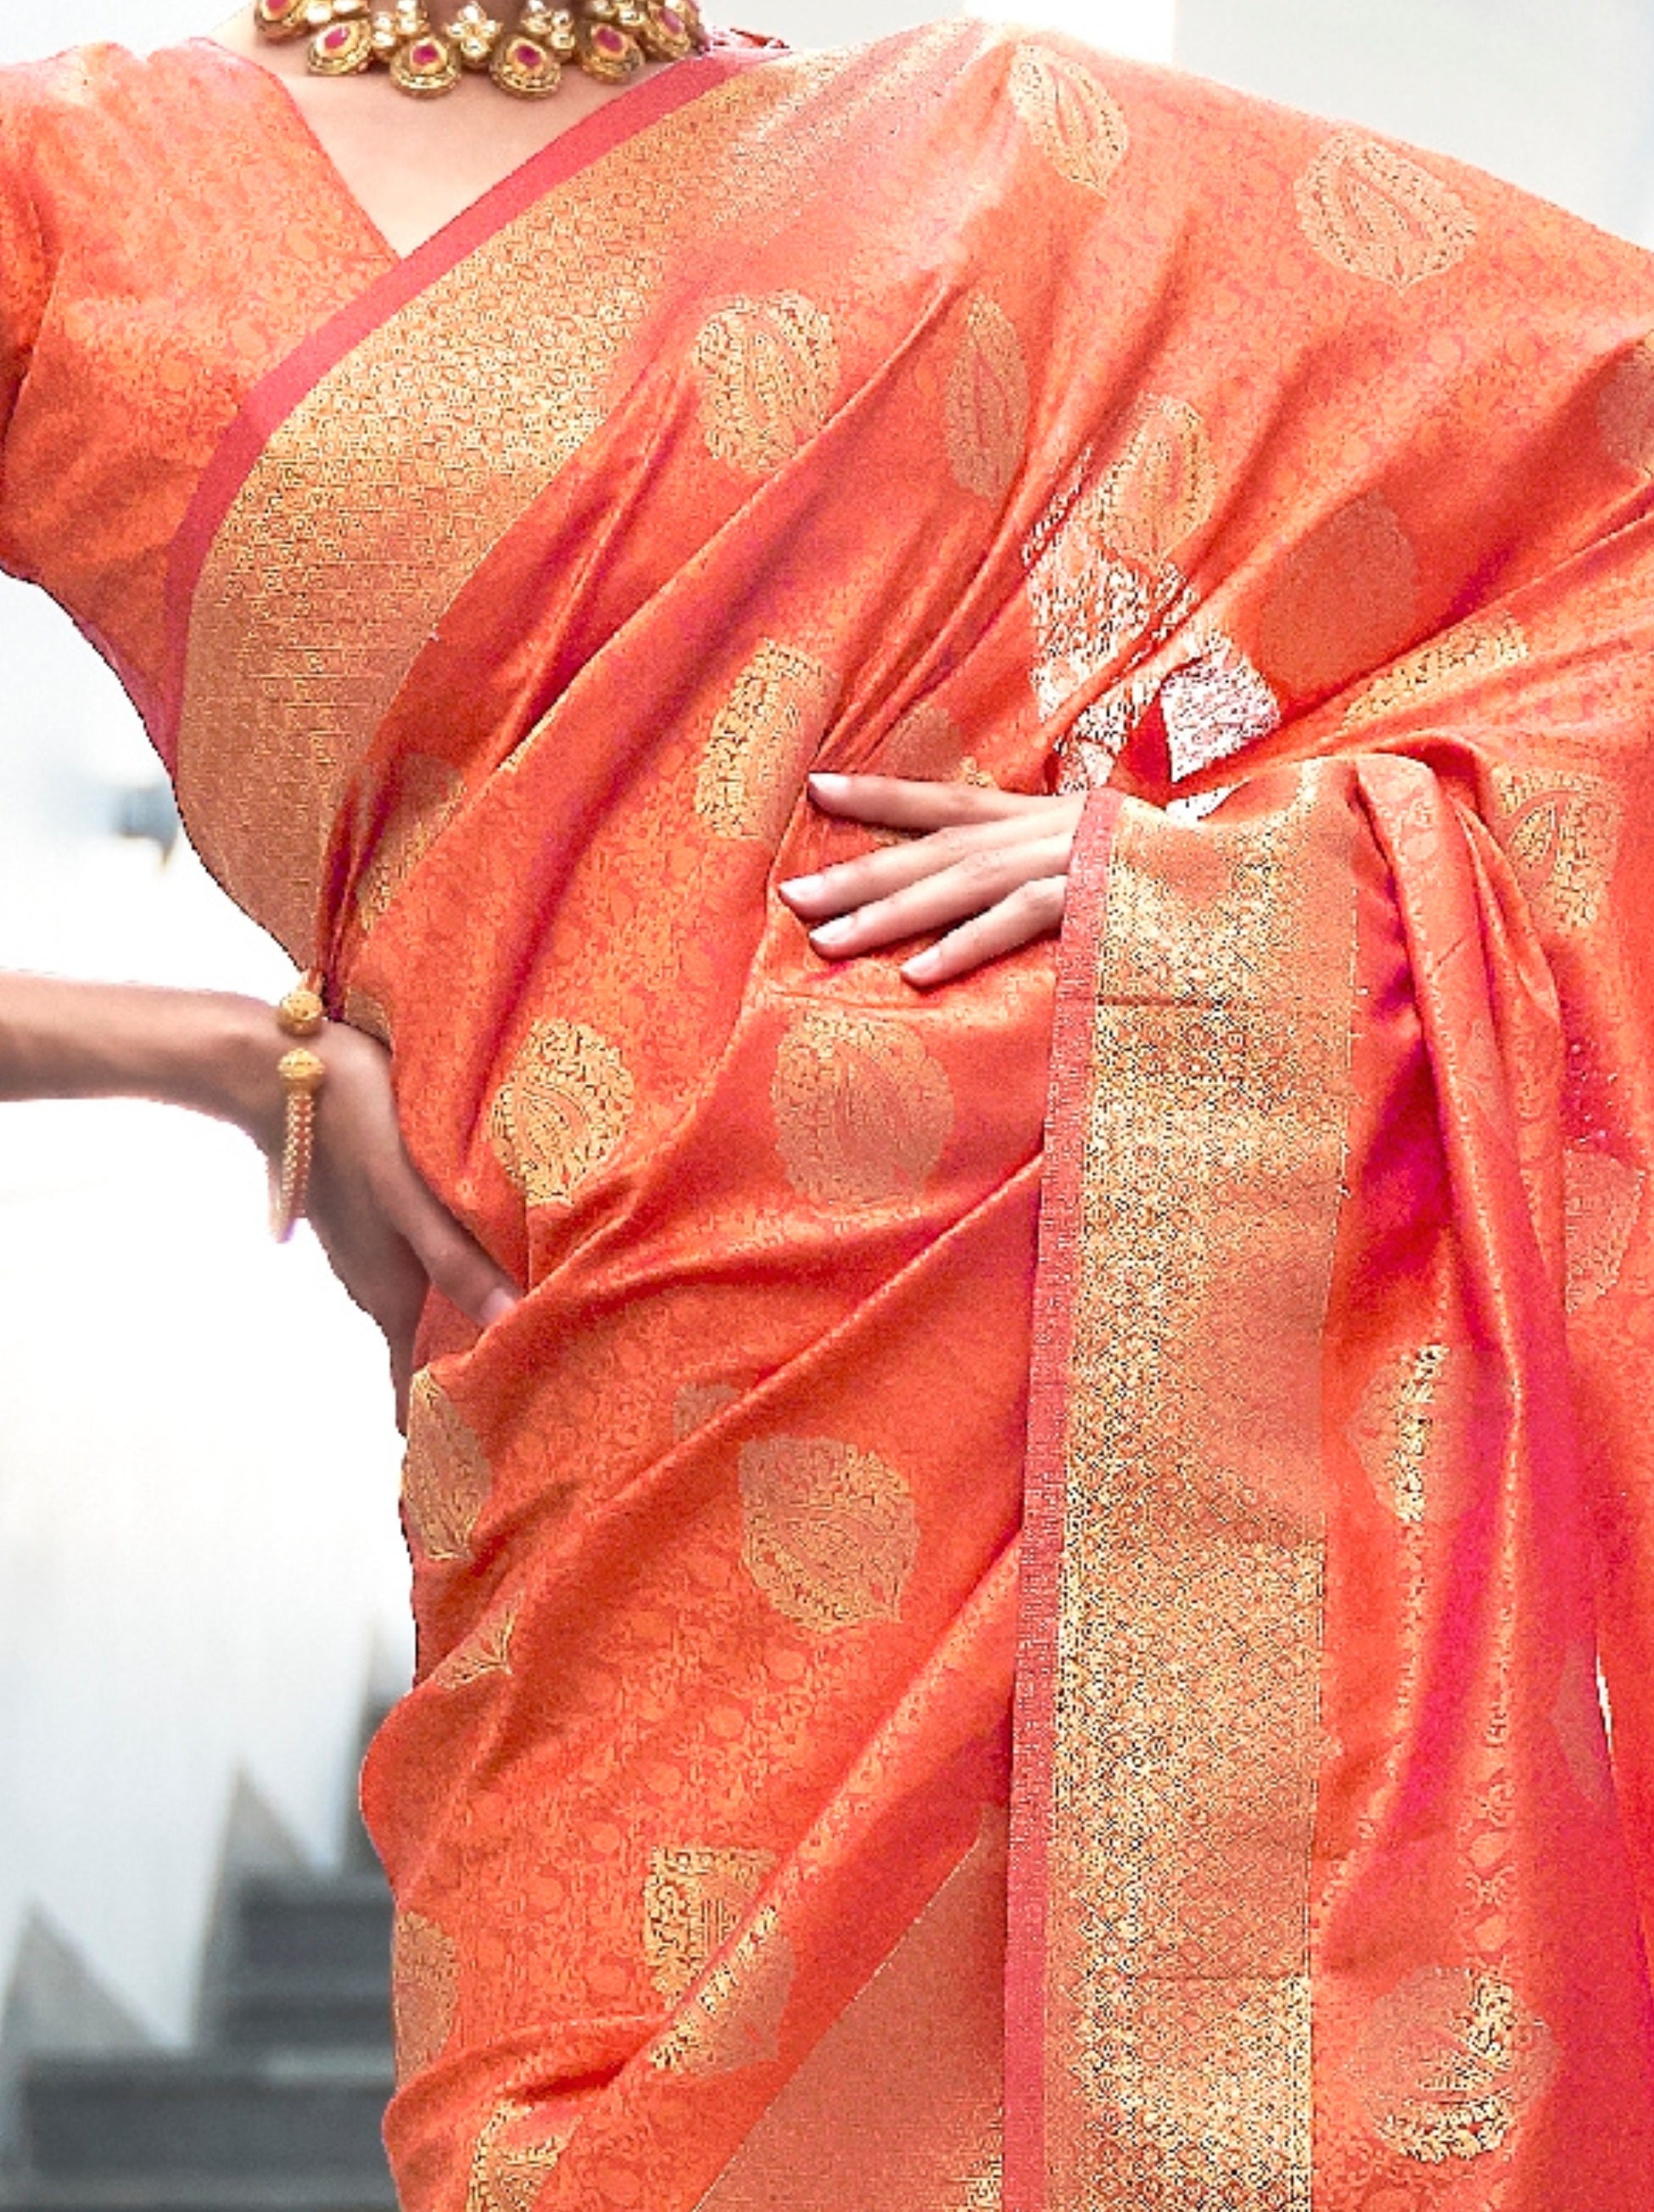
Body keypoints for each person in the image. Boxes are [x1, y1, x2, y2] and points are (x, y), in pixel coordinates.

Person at [2, 2, 1651, 2203]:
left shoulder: (994, 145)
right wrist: (226, 1049)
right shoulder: (75, 191)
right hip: (605, 1425)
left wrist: (1239, 869)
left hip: (1106, 1363)